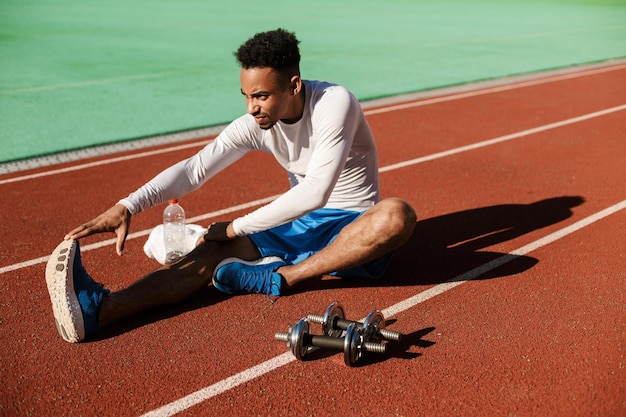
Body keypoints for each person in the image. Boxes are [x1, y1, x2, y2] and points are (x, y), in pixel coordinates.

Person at [45, 28, 417, 343]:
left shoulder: (335, 103)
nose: (251, 107)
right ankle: (100, 310)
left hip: (353, 225)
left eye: (261, 96)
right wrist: (128, 205)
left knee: (397, 216)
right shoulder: (254, 124)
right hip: (299, 227)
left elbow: (316, 191)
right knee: (209, 253)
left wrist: (235, 226)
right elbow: (194, 169)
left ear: (293, 85)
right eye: (246, 96)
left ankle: (283, 276)